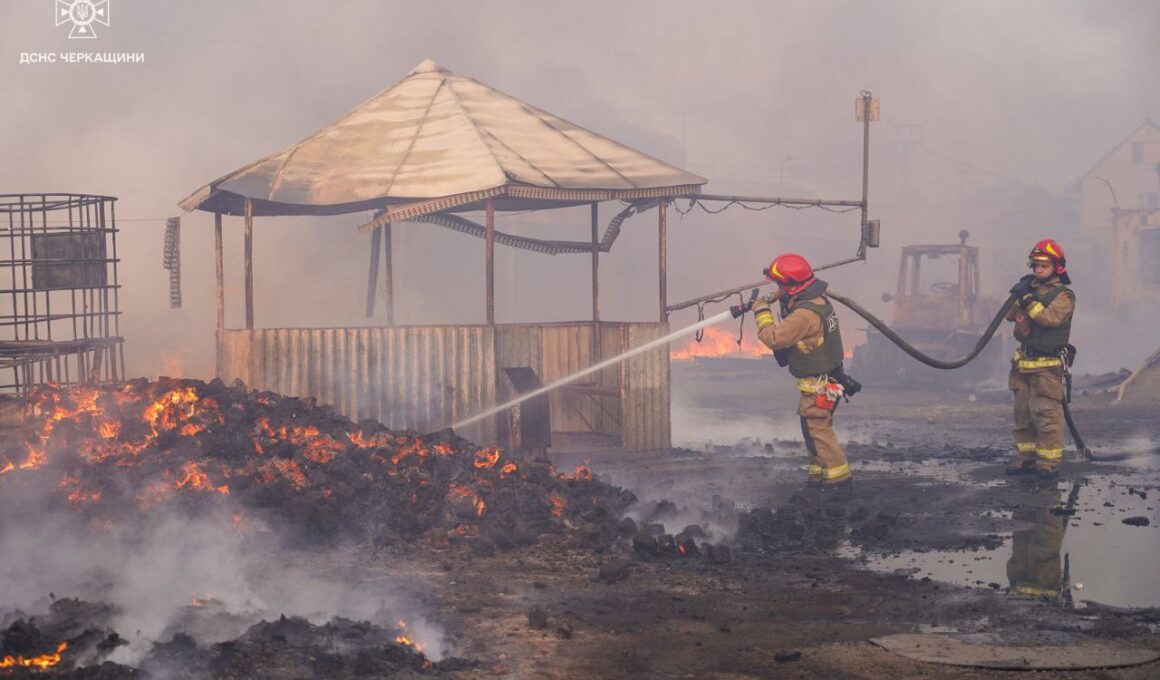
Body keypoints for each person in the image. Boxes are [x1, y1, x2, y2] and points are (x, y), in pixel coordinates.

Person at [751, 253, 852, 486]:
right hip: (826, 381)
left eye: (780, 285)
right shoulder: (817, 301)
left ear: (792, 286)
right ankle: (818, 478)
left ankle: (839, 482)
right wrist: (775, 295)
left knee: (819, 432)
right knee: (812, 431)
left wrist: (761, 312)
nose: (778, 289)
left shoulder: (804, 316)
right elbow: (792, 297)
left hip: (818, 385)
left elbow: (775, 338)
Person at [1005, 239, 1075, 480]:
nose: (1038, 270)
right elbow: (1009, 316)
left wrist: (1027, 299)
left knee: (1046, 415)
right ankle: (1026, 457)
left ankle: (1048, 461)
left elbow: (1049, 319)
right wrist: (1019, 294)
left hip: (1047, 367)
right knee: (1022, 414)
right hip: (1023, 364)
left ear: (1057, 267)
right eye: (1035, 265)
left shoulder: (1064, 295)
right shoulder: (1029, 291)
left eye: (1043, 265)